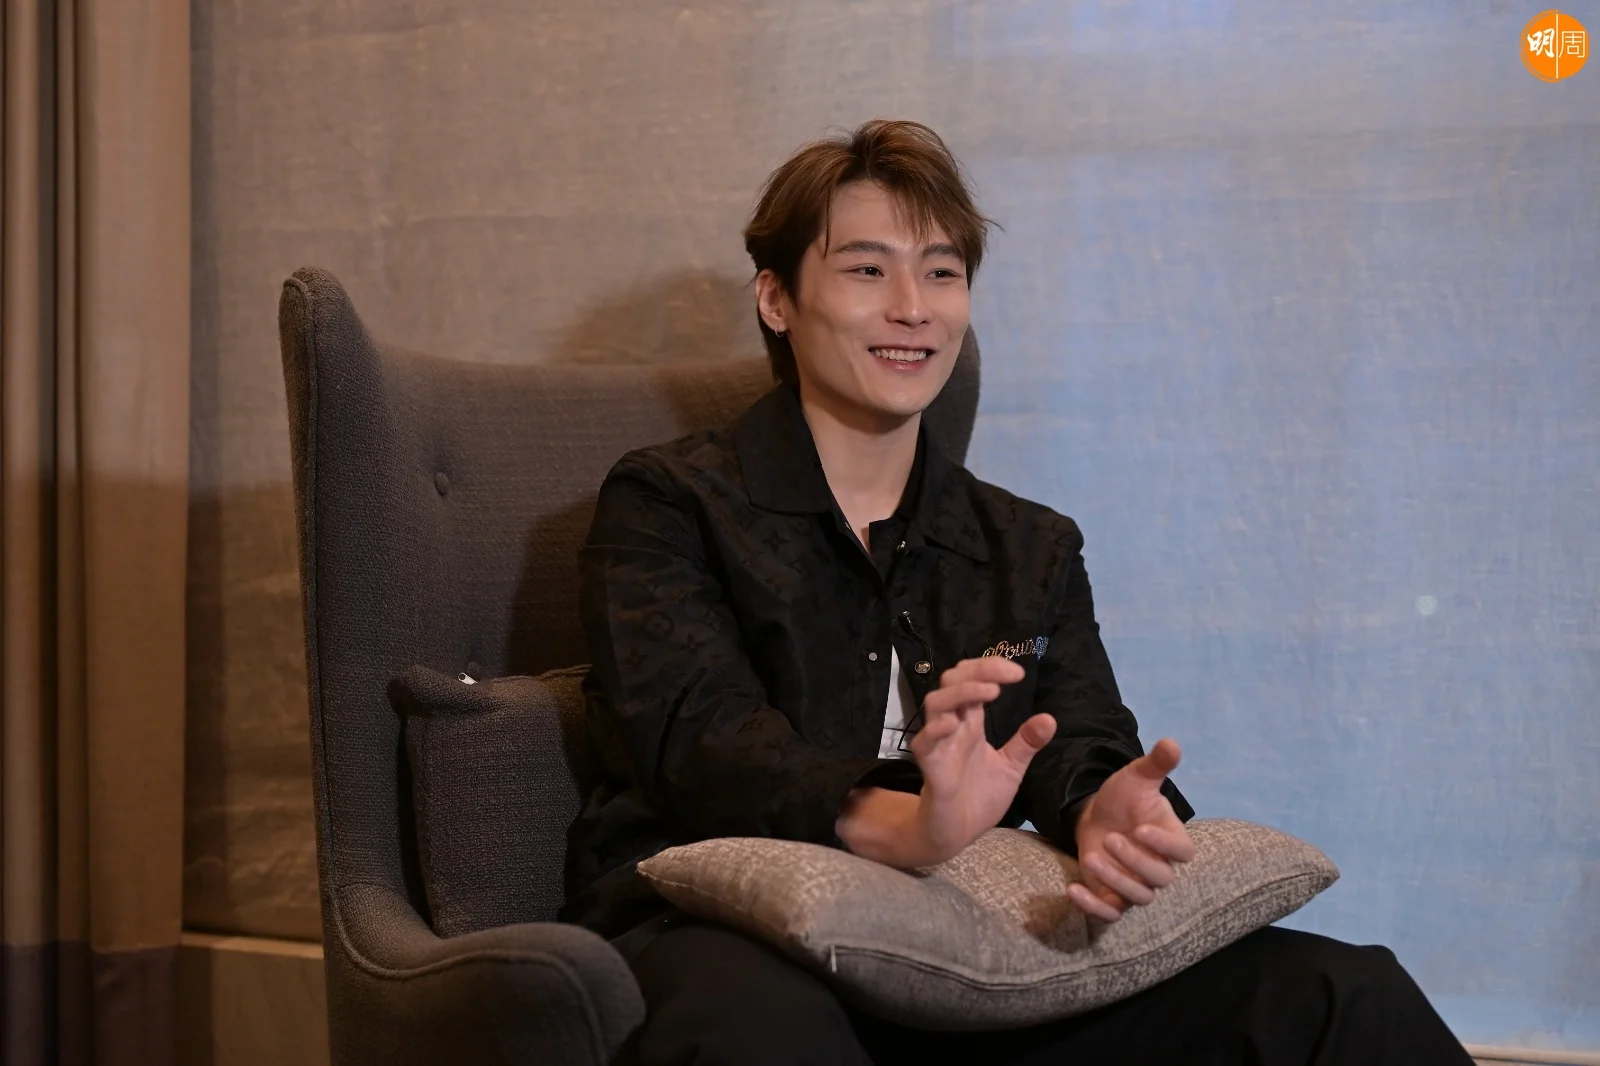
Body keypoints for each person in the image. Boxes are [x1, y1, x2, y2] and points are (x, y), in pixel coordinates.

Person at [564, 119, 1472, 1065]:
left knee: (1338, 996)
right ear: (778, 299)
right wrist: (909, 821)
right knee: (762, 1032)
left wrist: (1101, 811)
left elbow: (1078, 737)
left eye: (943, 273)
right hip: (721, 933)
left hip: (961, 944)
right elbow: (703, 744)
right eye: (868, 270)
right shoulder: (669, 503)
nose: (913, 308)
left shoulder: (1029, 544)